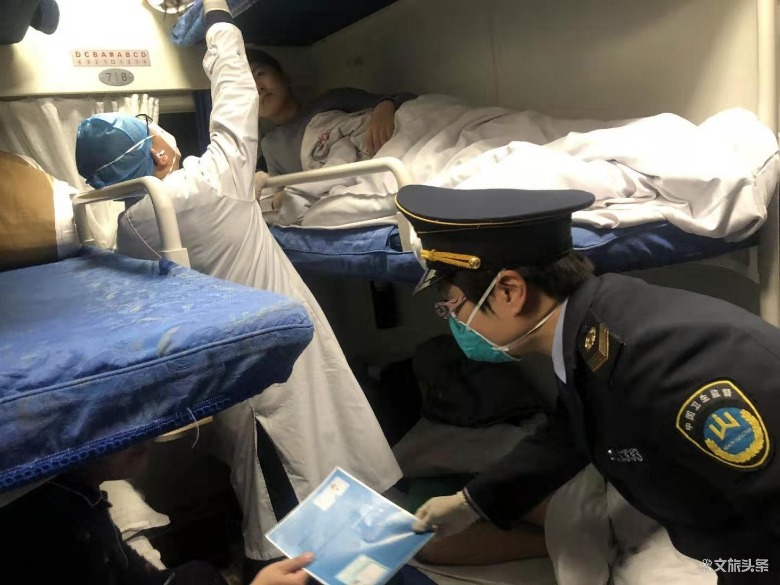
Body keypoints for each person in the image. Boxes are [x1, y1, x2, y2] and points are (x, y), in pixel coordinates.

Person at [73, 2, 402, 583]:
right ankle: (322, 570)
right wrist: (220, 19)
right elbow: (235, 99)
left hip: (230, 377)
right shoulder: (209, 184)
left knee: (292, 474)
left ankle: (345, 563)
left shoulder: (129, 229)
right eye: (155, 133)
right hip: (277, 368)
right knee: (297, 492)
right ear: (159, 154)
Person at [396, 184, 780, 584]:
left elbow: (768, 512)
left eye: (452, 306)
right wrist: (471, 503)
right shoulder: (592, 328)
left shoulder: (662, 362)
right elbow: (571, 433)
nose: (454, 321)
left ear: (509, 292)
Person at [0, 443, 228, 584]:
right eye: (112, 419)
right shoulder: (53, 519)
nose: (140, 433)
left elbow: (125, 566)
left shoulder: (80, 492)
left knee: (199, 575)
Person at [246, 48, 416, 176]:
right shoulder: (270, 145)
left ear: (284, 76)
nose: (258, 87)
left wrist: (386, 105)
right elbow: (283, 195)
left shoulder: (332, 100)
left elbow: (411, 101)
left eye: (260, 74)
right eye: (247, 85)